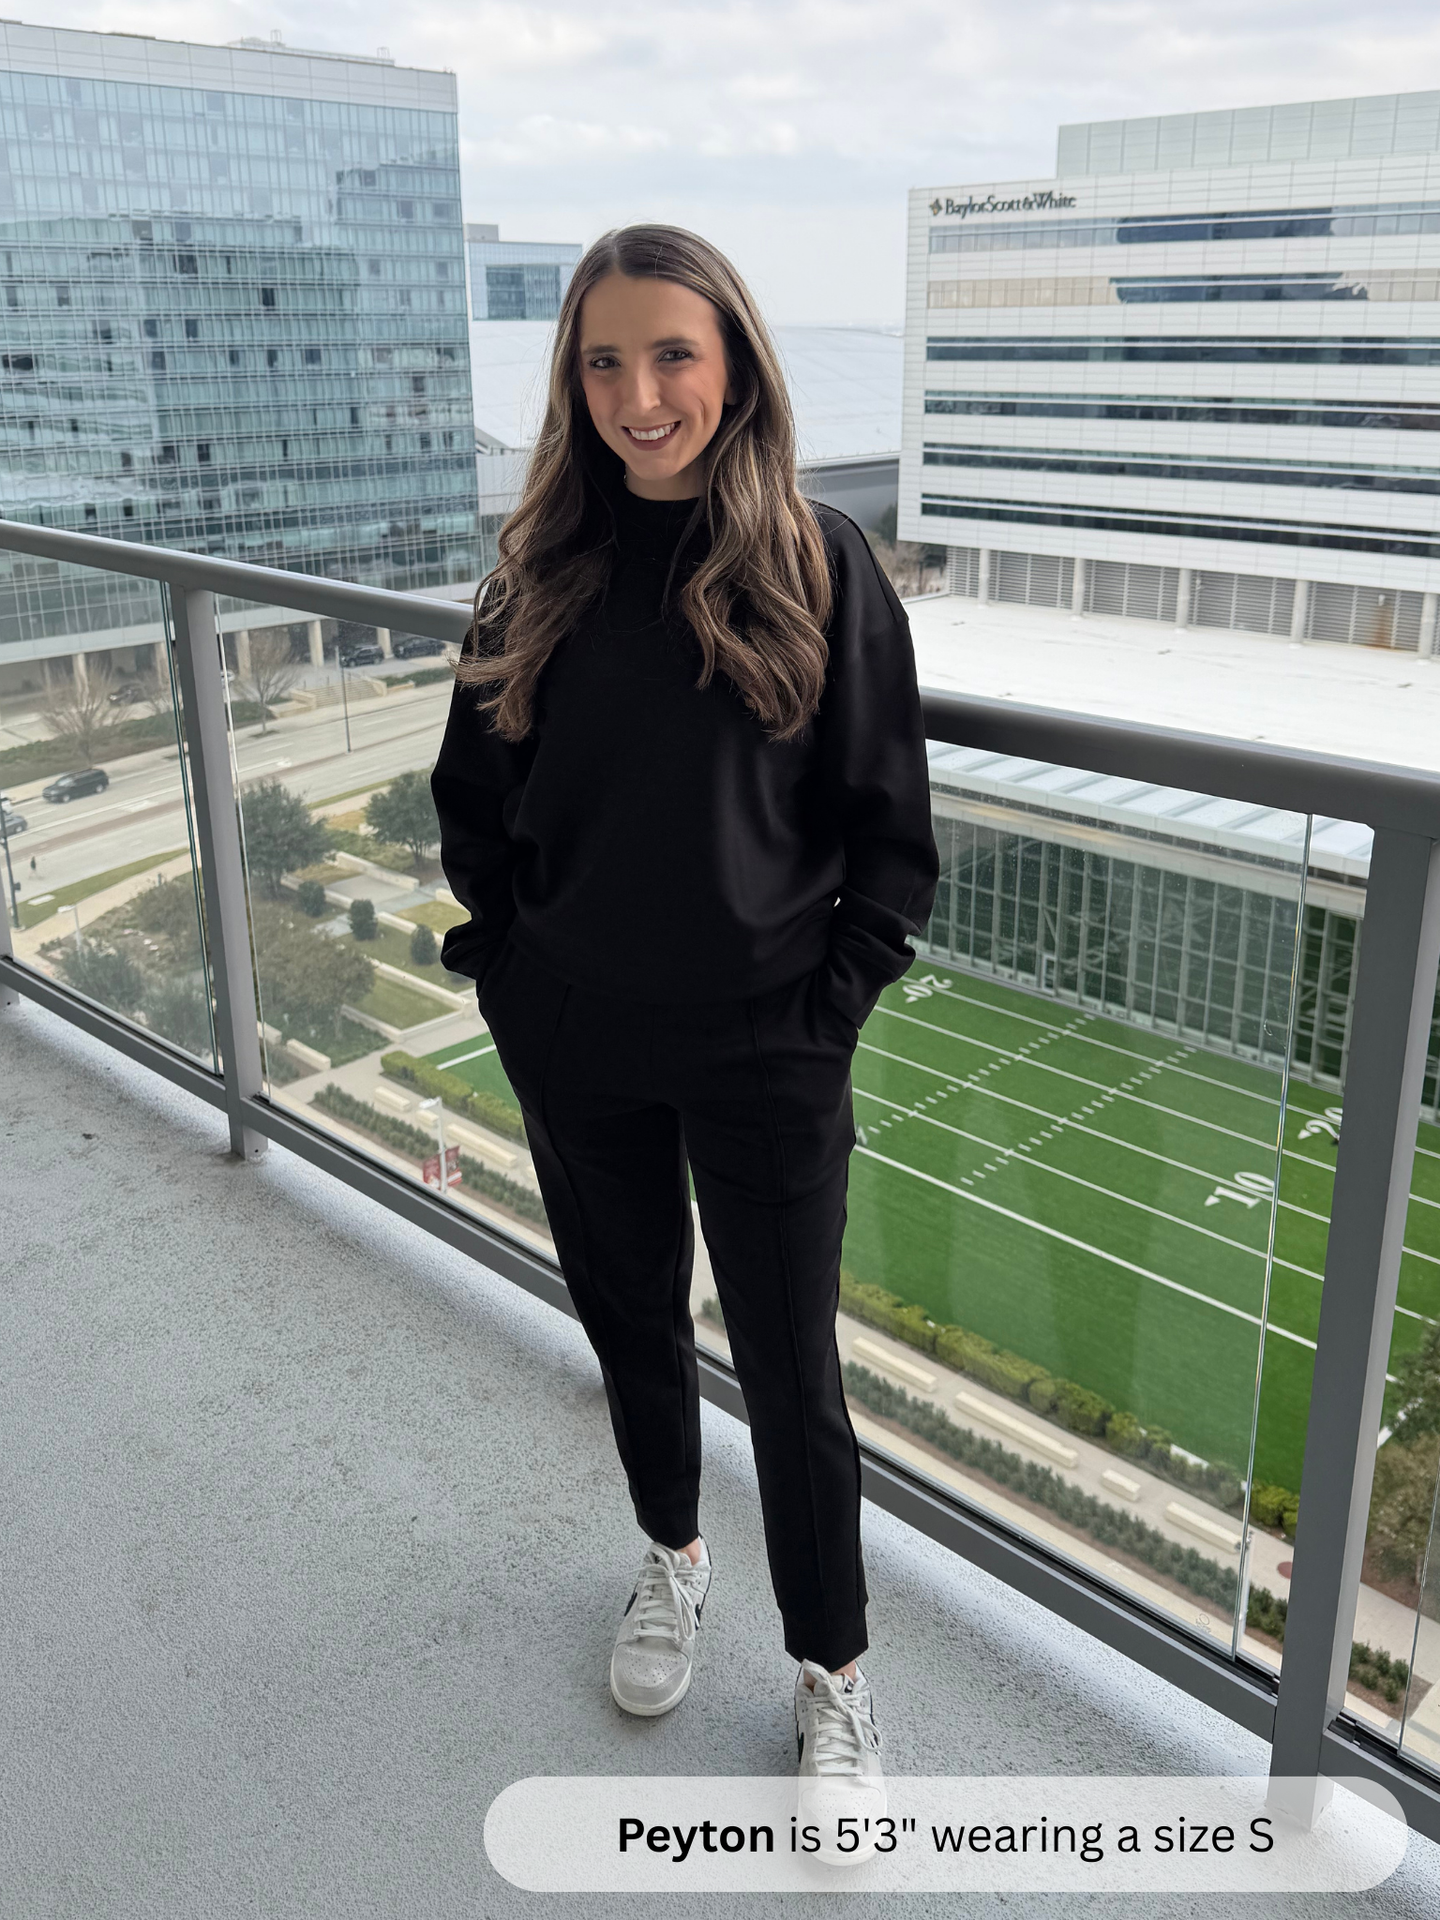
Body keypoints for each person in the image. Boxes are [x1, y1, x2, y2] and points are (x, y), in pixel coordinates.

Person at [431, 224, 938, 1816]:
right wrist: (515, 980)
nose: (640, 394)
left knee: (795, 1377)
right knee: (630, 1327)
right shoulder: (537, 573)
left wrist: (828, 1007)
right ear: (573, 383)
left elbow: (888, 828)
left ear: (733, 365)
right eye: (604, 361)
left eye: (672, 354)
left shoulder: (815, 557)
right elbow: (474, 805)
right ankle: (671, 1555)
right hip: (577, 1035)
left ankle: (833, 1679)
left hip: (766, 1047)